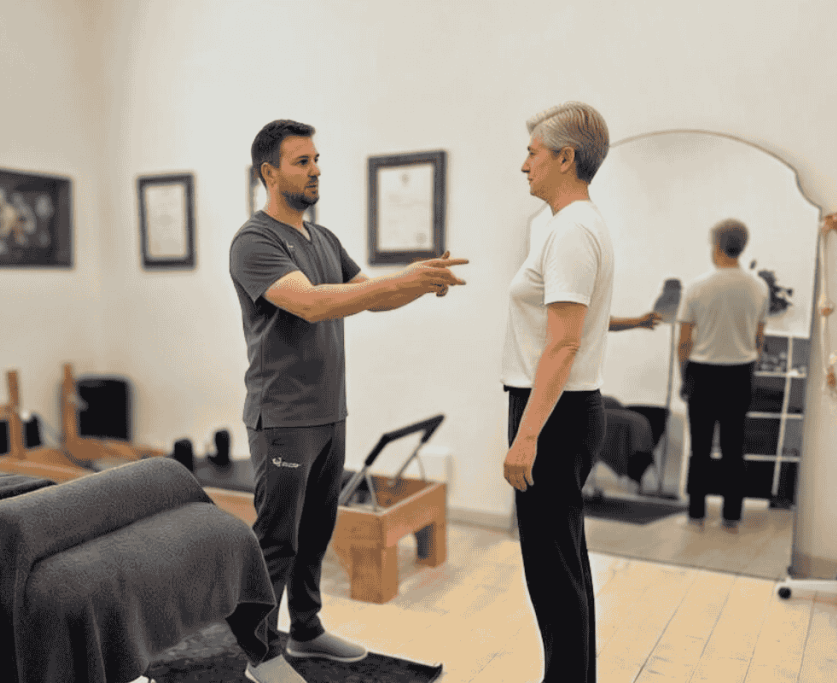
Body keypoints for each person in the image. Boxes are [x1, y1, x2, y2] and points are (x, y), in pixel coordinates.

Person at [229, 119, 467, 683]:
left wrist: (417, 282)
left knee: (317, 530)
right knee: (277, 539)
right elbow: (312, 304)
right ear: (269, 172)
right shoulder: (253, 242)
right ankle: (260, 654)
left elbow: (367, 297)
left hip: (329, 412)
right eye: (301, 161)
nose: (315, 170)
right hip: (282, 416)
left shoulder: (324, 239)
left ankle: (307, 630)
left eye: (316, 159)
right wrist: (399, 280)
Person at [500, 101, 613, 683]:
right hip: (562, 407)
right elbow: (572, 325)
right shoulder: (569, 226)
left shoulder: (571, 231)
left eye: (533, 153)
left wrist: (525, 437)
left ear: (565, 158)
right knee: (563, 565)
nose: (524, 165)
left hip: (553, 413)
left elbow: (563, 345)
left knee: (551, 572)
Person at [676, 218, 769, 532]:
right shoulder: (759, 287)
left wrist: (684, 376)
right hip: (740, 374)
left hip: (702, 374)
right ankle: (731, 516)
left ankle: (696, 513)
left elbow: (684, 341)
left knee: (699, 448)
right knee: (734, 448)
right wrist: (748, 367)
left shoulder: (696, 287)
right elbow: (759, 338)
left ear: (716, 246)